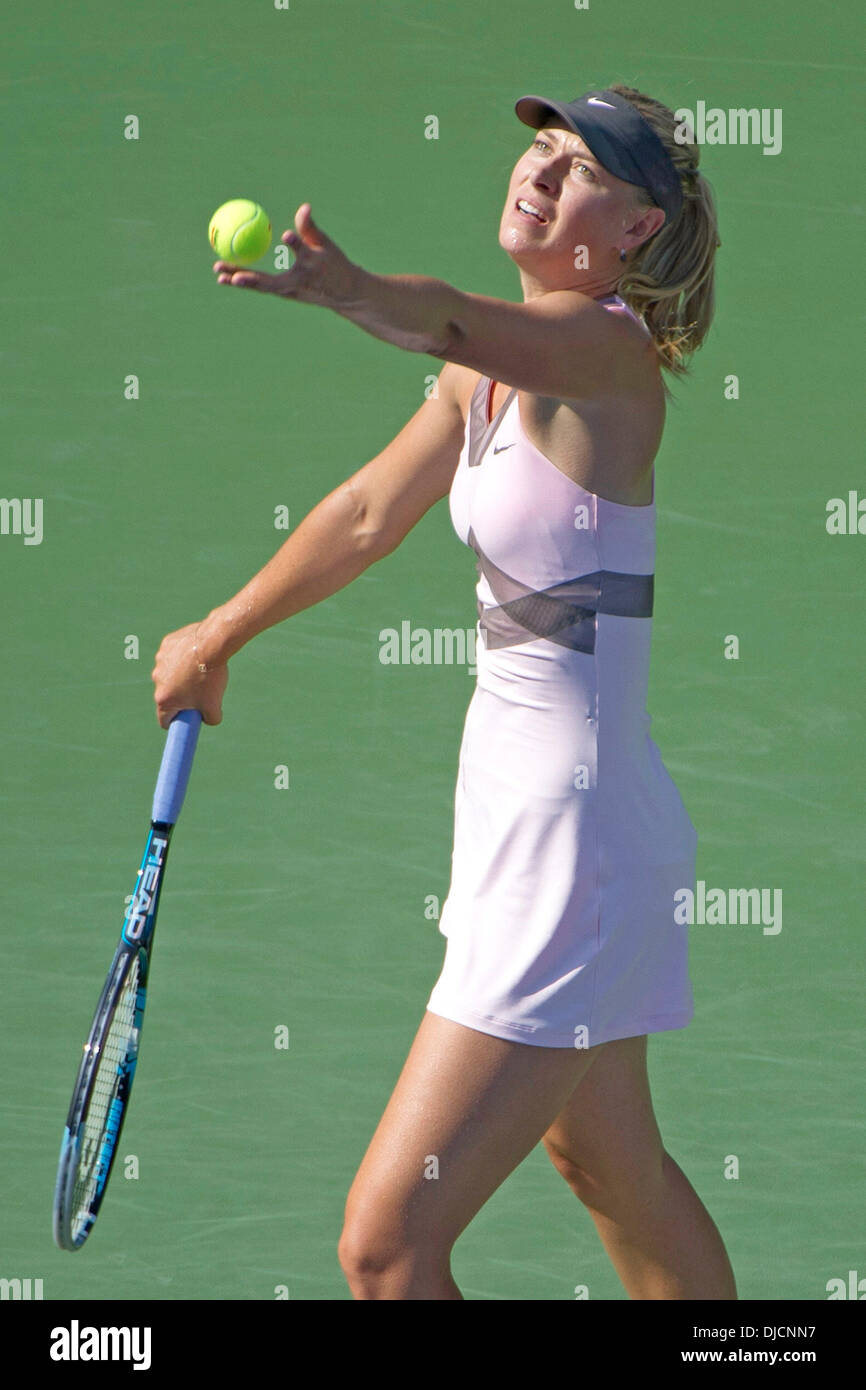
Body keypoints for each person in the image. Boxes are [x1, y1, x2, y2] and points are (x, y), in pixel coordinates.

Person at [152, 83, 735, 1301]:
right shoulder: (482, 380)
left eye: (579, 168)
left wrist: (344, 289)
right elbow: (368, 511)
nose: (539, 172)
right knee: (612, 1174)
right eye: (541, 150)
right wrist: (223, 631)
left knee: (384, 1246)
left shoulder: (601, 354)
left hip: (567, 853)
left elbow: (452, 323)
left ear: (633, 228)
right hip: (553, 827)